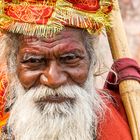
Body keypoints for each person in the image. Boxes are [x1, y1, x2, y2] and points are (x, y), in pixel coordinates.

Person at [0, 0, 139, 140]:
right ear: (12, 67)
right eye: (34, 61)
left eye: (69, 58)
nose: (53, 79)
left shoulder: (130, 119)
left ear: (93, 62)